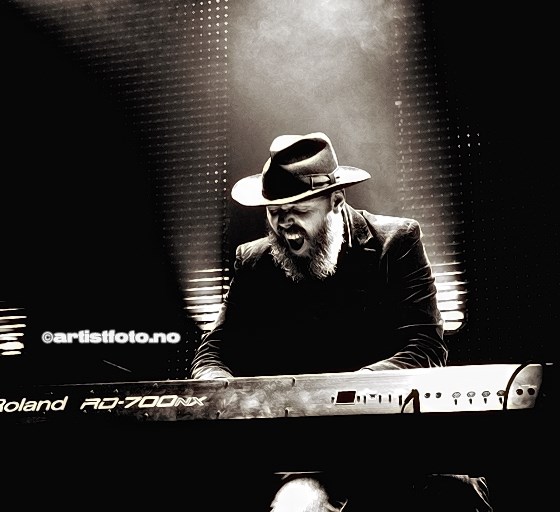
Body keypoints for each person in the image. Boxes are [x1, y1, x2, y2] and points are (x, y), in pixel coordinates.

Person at [190, 132, 493, 511]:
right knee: (300, 503)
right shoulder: (253, 261)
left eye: (299, 209)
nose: (283, 224)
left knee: (453, 495)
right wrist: (220, 393)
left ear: (336, 200)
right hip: (302, 452)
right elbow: (214, 351)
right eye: (274, 211)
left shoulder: (396, 242)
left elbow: (425, 348)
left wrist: (340, 395)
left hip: (391, 440)